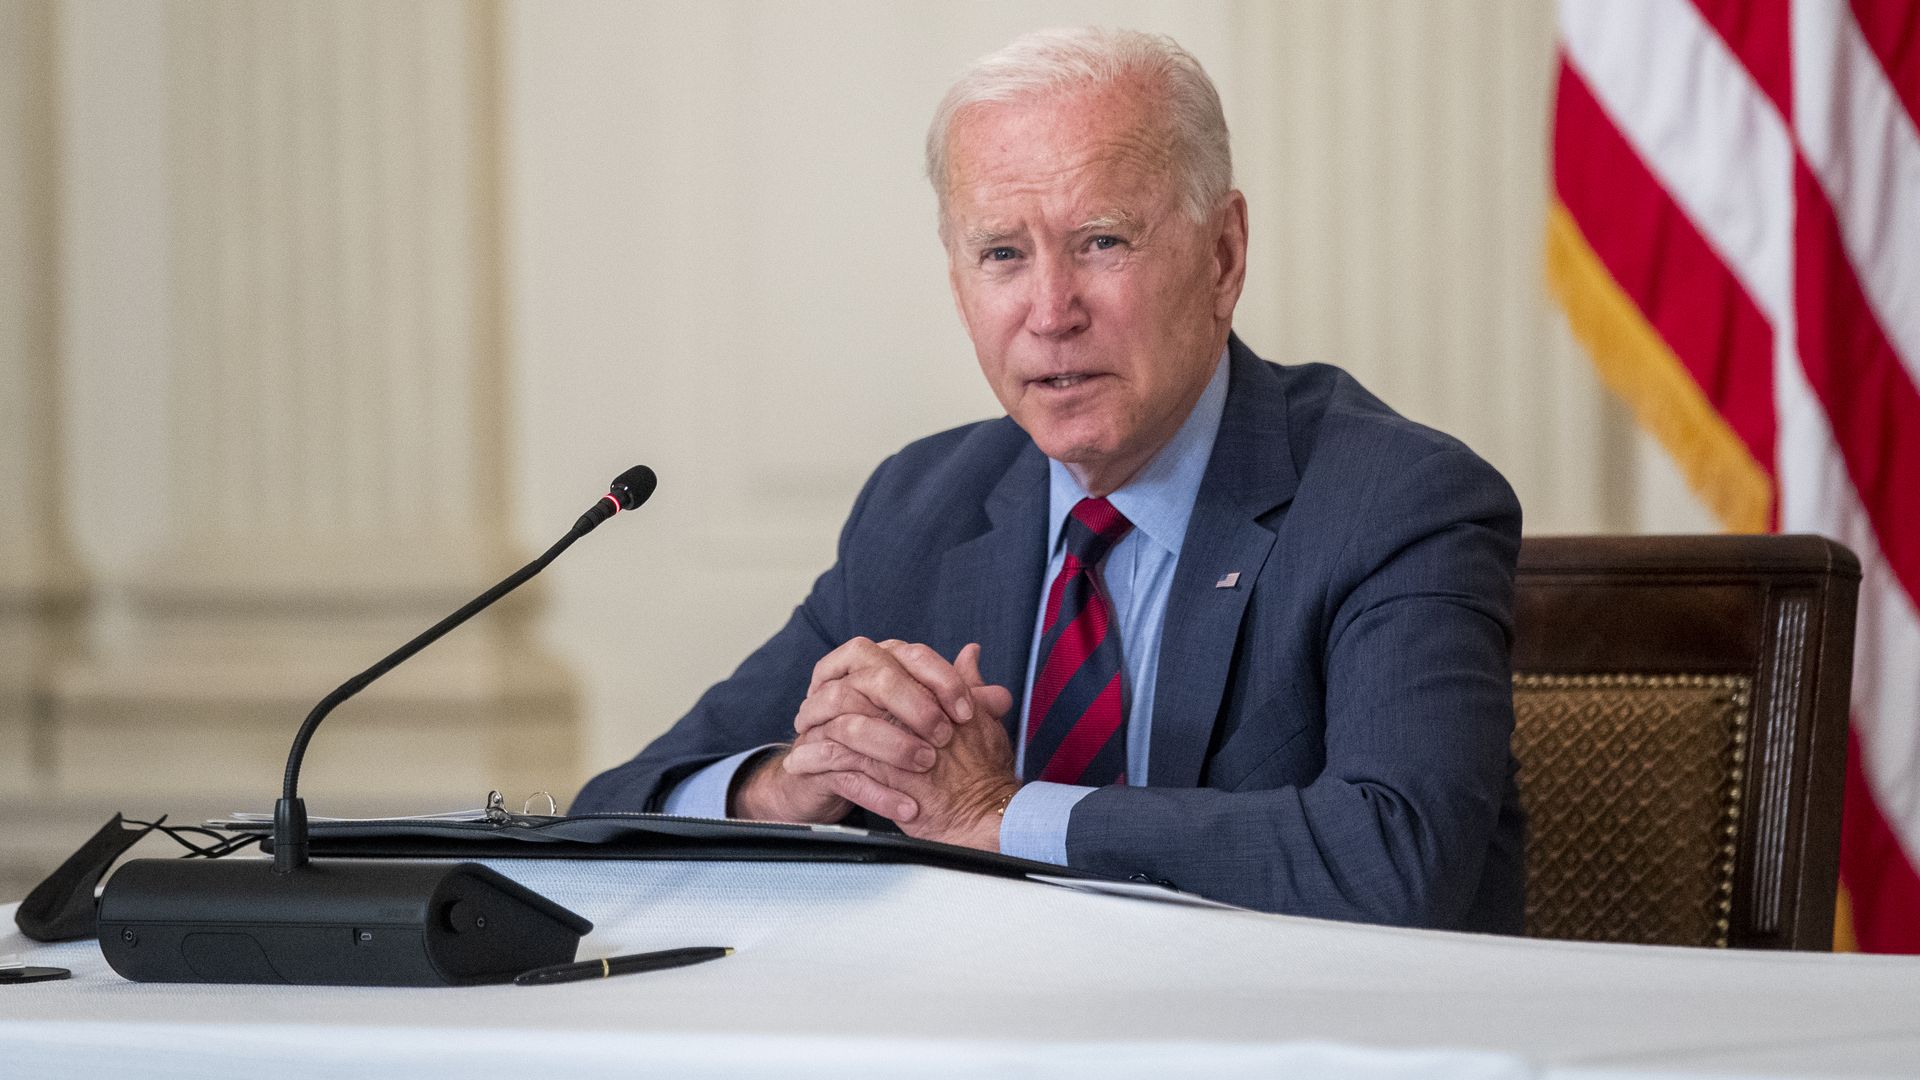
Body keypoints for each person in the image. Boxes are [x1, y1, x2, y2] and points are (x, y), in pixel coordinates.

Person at [574, 27, 1525, 932]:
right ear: (959, 287)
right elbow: (606, 812)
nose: (1050, 311)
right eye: (1002, 254)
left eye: (1102, 240)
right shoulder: (923, 507)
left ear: (1223, 257)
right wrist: (794, 783)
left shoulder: (1396, 499)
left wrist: (1001, 815)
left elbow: (1400, 859)